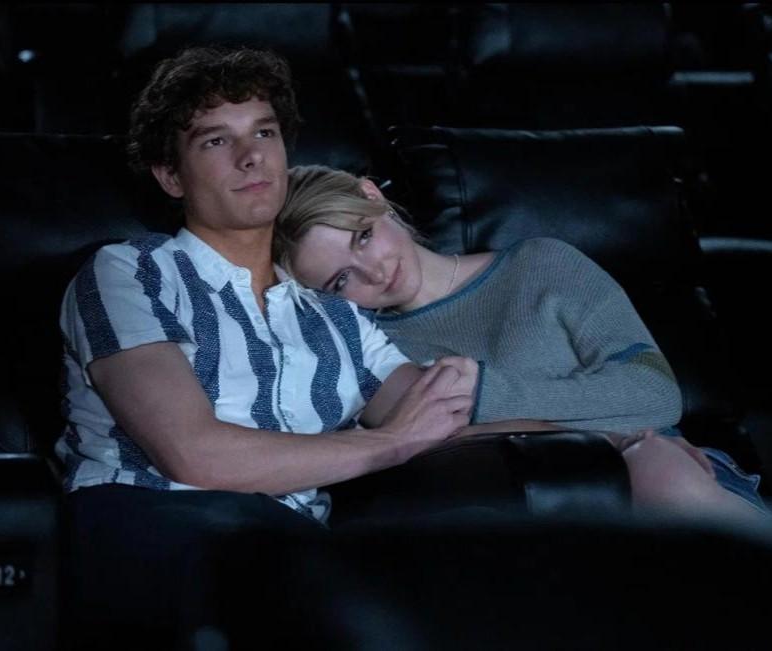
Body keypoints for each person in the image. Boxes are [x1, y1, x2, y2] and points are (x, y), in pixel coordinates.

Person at [55, 45, 479, 528]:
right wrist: (392, 442)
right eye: (216, 141)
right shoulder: (129, 273)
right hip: (155, 519)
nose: (251, 156)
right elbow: (194, 456)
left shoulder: (335, 314)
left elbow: (445, 420)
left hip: (291, 540)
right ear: (171, 177)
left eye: (264, 132)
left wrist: (553, 428)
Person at [273, 164, 770, 519]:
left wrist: (486, 394)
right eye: (342, 280)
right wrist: (608, 437)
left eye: (363, 236)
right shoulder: (371, 353)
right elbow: (434, 450)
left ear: (372, 196)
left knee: (660, 475)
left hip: (672, 473)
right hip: (541, 514)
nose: (375, 272)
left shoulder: (541, 262)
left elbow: (656, 396)